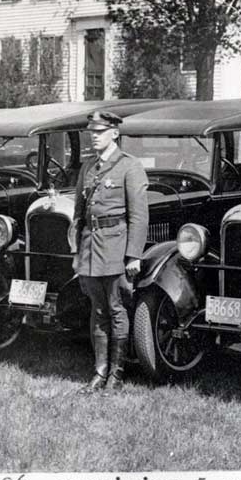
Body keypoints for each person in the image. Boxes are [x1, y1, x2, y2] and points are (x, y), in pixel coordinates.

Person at [73, 110, 149, 394]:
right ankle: (99, 372)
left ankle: (115, 375)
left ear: (114, 133)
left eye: (100, 132)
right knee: (98, 311)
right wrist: (76, 253)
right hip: (91, 250)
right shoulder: (88, 168)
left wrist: (133, 255)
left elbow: (139, 217)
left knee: (117, 310)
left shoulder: (129, 166)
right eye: (92, 132)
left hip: (116, 248)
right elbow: (79, 215)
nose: (94, 137)